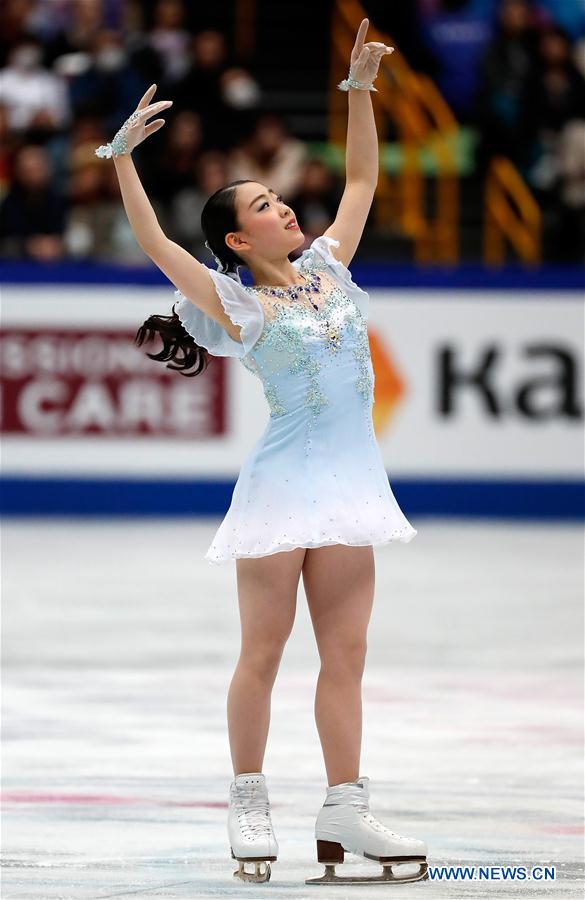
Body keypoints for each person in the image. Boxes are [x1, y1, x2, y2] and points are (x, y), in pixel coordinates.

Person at [95, 18, 428, 886]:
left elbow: (360, 176)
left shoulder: (331, 267)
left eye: (276, 198)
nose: (281, 206)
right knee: (263, 655)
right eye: (260, 208)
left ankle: (345, 808)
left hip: (351, 489)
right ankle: (249, 801)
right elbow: (161, 247)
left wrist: (358, 90)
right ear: (239, 242)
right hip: (283, 491)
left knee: (346, 656)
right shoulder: (238, 306)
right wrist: (121, 160)